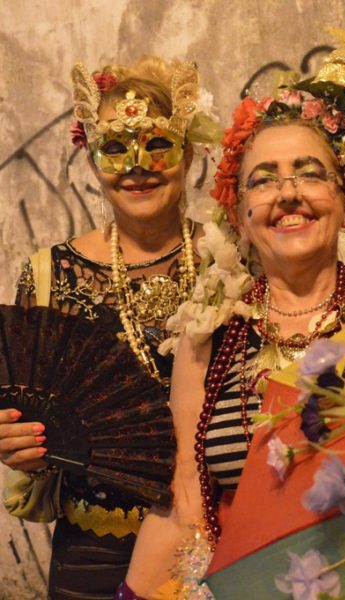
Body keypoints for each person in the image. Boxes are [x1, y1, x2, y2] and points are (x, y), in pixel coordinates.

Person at [122, 28, 345, 599]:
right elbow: (185, 503)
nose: (288, 193)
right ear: (240, 216)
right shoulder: (208, 339)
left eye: (310, 172)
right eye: (263, 180)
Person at [0, 56, 221, 599]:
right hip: (94, 555)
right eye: (116, 148)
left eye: (157, 144)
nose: (137, 166)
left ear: (189, 152)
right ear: (92, 159)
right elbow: (31, 425)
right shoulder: (50, 275)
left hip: (222, 541)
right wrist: (19, 443)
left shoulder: (233, 260)